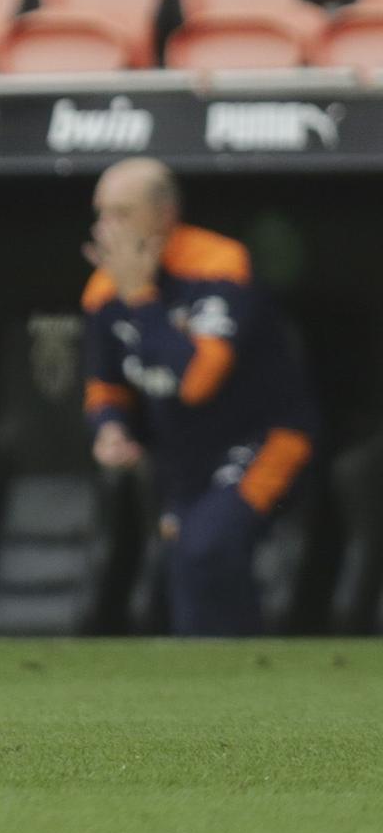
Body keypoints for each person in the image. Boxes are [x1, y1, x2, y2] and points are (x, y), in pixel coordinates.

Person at [83, 157, 319, 636]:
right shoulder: (103, 291)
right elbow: (104, 387)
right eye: (101, 215)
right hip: (186, 459)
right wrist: (109, 430)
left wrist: (141, 299)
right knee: (186, 566)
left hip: (267, 439)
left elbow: (197, 380)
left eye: (123, 214)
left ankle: (248, 675)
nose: (108, 230)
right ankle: (218, 692)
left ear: (165, 214)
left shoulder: (217, 263)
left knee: (207, 546)